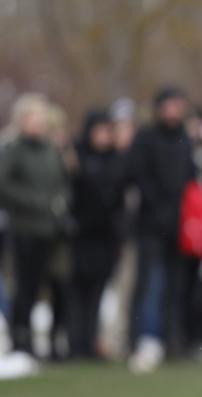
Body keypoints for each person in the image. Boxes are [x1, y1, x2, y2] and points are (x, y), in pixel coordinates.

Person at [128, 86, 196, 372]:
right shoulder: (145, 138)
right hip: (151, 224)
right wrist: (160, 208)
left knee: (175, 284)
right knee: (149, 284)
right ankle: (143, 339)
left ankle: (171, 338)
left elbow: (190, 177)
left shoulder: (185, 139)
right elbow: (138, 175)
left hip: (179, 224)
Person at [0, 94, 70, 356]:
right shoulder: (13, 149)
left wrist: (60, 202)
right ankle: (21, 340)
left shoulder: (50, 149)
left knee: (54, 285)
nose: (39, 123)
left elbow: (62, 182)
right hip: (23, 228)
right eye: (34, 117)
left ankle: (52, 343)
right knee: (25, 287)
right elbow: (4, 186)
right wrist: (36, 202)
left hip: (49, 229)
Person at [68, 109, 126, 358]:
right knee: (76, 292)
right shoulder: (77, 157)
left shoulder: (116, 160)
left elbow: (118, 199)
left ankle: (90, 342)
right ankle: (74, 344)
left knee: (97, 293)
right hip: (80, 236)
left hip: (106, 237)